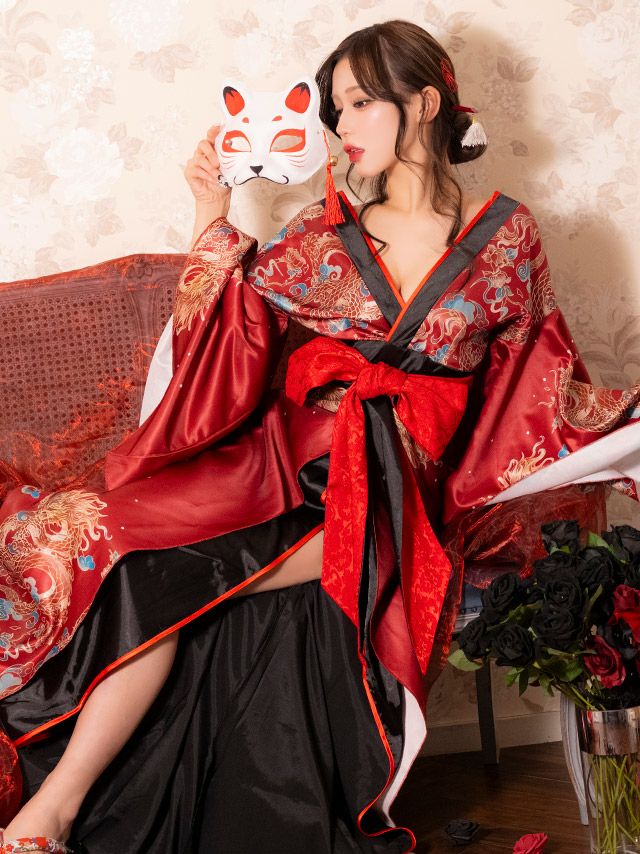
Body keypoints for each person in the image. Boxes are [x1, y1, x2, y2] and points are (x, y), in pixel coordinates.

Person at [1, 18, 638, 854]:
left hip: (395, 485)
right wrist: (210, 211)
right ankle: (51, 812)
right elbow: (225, 339)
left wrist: (616, 429)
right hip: (282, 466)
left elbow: (540, 378)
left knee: (165, 581)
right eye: (337, 109)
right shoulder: (324, 230)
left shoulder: (506, 236)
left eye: (360, 103)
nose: (341, 126)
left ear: (425, 102)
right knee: (128, 554)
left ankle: (55, 814)